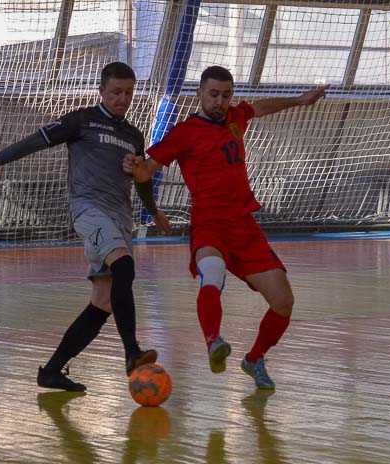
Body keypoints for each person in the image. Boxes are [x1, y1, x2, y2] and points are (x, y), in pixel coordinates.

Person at [0, 62, 171, 392]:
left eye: (128, 93)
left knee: (103, 302)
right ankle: (131, 353)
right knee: (124, 266)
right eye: (115, 92)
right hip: (89, 210)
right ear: (101, 90)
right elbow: (31, 143)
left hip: (120, 216)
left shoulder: (133, 136)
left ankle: (51, 372)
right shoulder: (81, 120)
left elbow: (141, 178)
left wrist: (153, 211)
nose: (122, 99)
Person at [125, 66, 327, 389]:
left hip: (244, 226)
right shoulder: (185, 132)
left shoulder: (236, 117)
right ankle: (213, 341)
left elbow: (260, 107)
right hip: (208, 224)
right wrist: (135, 168)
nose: (220, 101)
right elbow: (147, 169)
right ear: (200, 94)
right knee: (213, 272)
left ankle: (255, 358)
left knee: (284, 302)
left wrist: (300, 101)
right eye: (214, 94)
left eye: (226, 95)